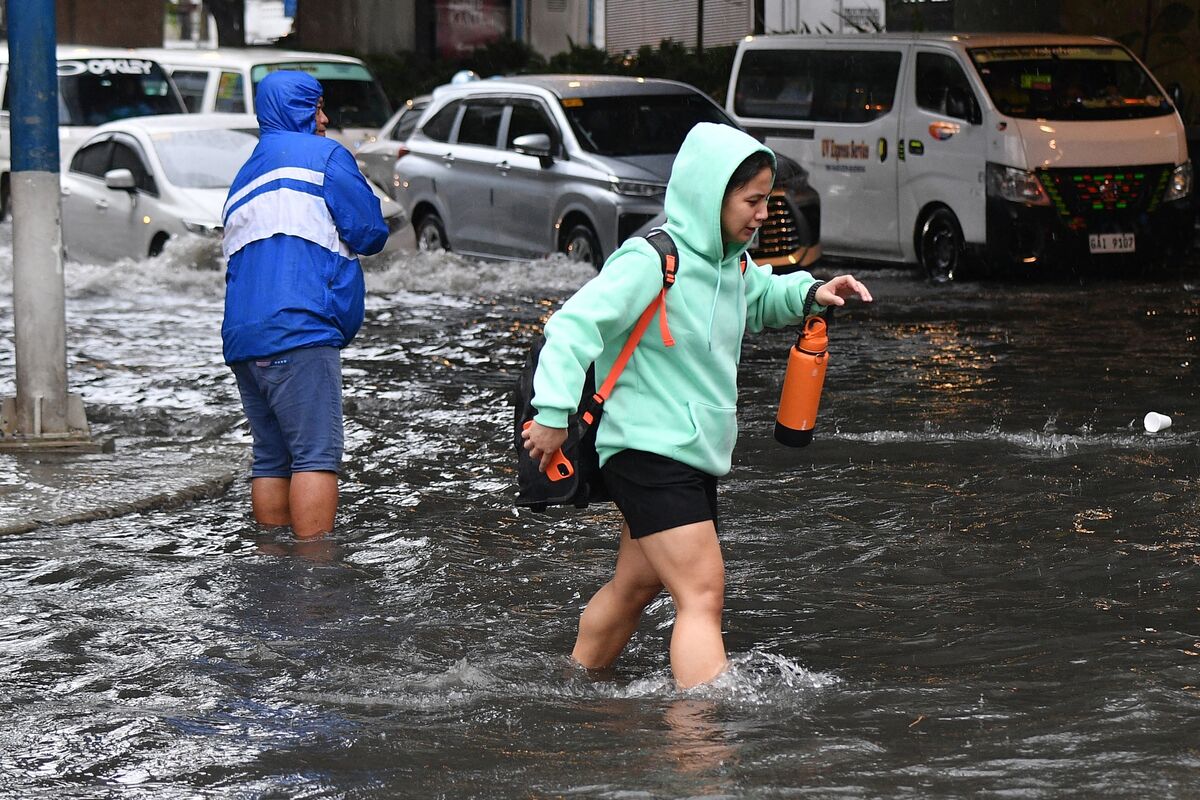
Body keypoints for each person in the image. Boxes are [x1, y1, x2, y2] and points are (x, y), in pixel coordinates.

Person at [522, 123, 872, 688]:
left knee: (636, 586)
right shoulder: (650, 259)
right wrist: (552, 415)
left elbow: (759, 299)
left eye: (766, 200)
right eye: (751, 201)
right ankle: (701, 739)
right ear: (711, 195)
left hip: (691, 450)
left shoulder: (730, 263)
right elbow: (572, 328)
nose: (762, 214)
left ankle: (573, 685)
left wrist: (813, 292)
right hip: (647, 449)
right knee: (702, 592)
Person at [221, 71, 388, 539]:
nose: (324, 118)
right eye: (316, 107)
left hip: (243, 340)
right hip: (300, 330)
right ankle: (314, 576)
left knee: (271, 457)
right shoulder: (325, 157)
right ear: (298, 110)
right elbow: (370, 232)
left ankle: (273, 564)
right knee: (316, 455)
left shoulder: (244, 173)